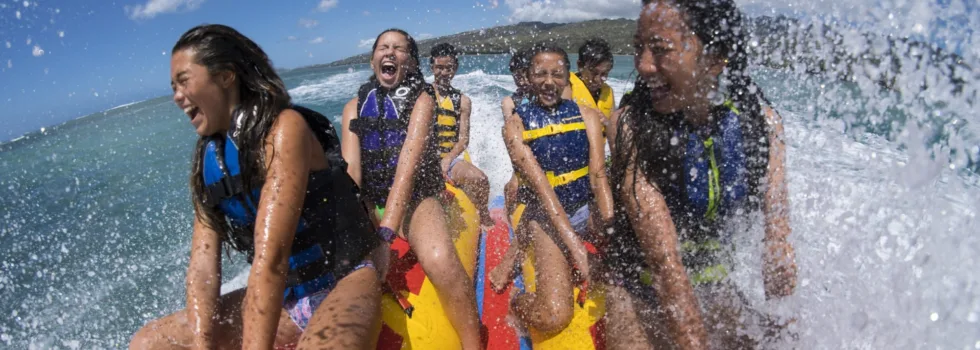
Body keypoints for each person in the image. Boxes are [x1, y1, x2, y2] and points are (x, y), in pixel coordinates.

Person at [130, 24, 384, 350]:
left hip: (343, 281)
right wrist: (202, 343)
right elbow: (203, 271)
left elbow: (272, 260)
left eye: (184, 81)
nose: (177, 97)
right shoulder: (209, 159)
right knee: (148, 342)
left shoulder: (284, 129)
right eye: (173, 86)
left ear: (225, 76)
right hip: (284, 302)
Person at [604, 0, 798, 349]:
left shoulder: (762, 125)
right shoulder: (630, 126)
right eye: (638, 49)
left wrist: (787, 330)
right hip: (639, 289)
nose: (643, 66)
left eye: (660, 50)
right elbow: (665, 267)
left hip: (714, 286)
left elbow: (778, 247)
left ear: (714, 58)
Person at [339, 29, 482, 349]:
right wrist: (357, 228)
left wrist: (385, 236)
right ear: (373, 58)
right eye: (382, 47)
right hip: (372, 201)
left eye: (399, 49)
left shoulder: (423, 100)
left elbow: (406, 168)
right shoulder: (353, 107)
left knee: (440, 258)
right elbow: (352, 174)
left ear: (411, 62)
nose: (389, 52)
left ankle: (473, 342)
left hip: (416, 198)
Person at [492, 42, 614, 334]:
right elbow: (545, 193)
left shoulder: (587, 116)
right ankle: (517, 302)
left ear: (568, 77)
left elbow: (598, 177)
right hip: (545, 218)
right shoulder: (515, 127)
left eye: (557, 74)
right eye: (540, 74)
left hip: (586, 208)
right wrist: (577, 250)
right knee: (553, 317)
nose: (549, 82)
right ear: (529, 77)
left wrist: (611, 229)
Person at [429, 43, 493, 227]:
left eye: (448, 68)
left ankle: (483, 215)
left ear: (455, 69)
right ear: (432, 67)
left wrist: (447, 160)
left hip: (451, 160)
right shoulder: (421, 95)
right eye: (439, 67)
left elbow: (463, 139)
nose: (443, 72)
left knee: (480, 179)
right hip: (424, 160)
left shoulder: (463, 101)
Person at [500, 48, 532, 216]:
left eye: (526, 75)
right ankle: (510, 217)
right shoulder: (510, 103)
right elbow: (511, 139)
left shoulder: (546, 97)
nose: (522, 81)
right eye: (517, 76)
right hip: (522, 154)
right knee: (512, 189)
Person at [564, 38, 616, 119]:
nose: (598, 80)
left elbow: (613, 129)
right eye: (593, 73)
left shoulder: (609, 92)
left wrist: (607, 123)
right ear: (580, 66)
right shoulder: (567, 87)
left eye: (604, 74)